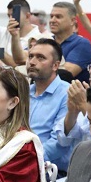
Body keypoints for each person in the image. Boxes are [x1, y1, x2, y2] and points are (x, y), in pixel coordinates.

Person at [27, 38, 71, 172]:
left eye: (40, 58)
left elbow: (59, 143)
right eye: (30, 56)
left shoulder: (67, 94)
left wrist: (24, 160)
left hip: (49, 171)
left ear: (55, 65)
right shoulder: (24, 92)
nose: (32, 62)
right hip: (19, 163)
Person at [50, 1, 91, 82]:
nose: (52, 20)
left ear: (72, 20)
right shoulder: (46, 41)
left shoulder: (82, 44)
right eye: (51, 16)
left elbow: (65, 74)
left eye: (58, 17)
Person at [5, 0, 47, 67]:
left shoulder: (39, 39)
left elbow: (18, 61)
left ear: (27, 16)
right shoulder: (6, 32)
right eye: (8, 16)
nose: (10, 19)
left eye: (13, 16)